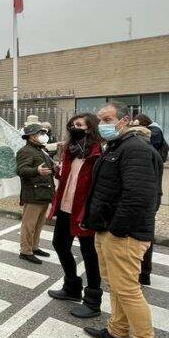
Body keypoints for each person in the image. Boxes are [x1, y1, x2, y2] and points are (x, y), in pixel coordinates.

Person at [82, 102, 163, 338]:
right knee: (115, 286)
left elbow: (139, 197)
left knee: (127, 290)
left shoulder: (135, 149)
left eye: (107, 119)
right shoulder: (116, 146)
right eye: (100, 120)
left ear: (124, 120)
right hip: (107, 230)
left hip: (124, 234)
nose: (102, 125)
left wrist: (117, 230)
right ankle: (117, 332)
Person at [46, 113, 104, 318]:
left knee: (89, 254)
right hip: (65, 206)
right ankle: (71, 286)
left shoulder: (97, 152)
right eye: (72, 124)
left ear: (90, 128)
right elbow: (67, 177)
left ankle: (93, 300)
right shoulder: (70, 150)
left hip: (84, 210)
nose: (74, 127)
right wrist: (57, 171)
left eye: (79, 124)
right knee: (60, 244)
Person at [132, 113, 168, 286]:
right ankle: (144, 272)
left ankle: (142, 272)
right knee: (145, 234)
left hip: (144, 199)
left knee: (141, 235)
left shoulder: (145, 152)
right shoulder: (154, 149)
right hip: (152, 197)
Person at [16, 123, 55, 264]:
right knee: (29, 225)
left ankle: (34, 247)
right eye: (41, 133)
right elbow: (21, 170)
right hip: (33, 194)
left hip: (44, 193)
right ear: (32, 136)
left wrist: (56, 169)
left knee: (38, 224)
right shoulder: (26, 151)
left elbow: (48, 168)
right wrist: (36, 171)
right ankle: (25, 251)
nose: (44, 136)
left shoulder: (40, 150)